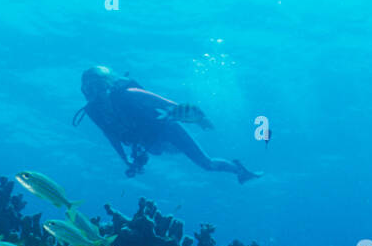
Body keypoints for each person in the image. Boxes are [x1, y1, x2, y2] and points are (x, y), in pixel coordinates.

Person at [74, 65, 261, 182]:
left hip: (166, 129)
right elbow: (111, 136)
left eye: (98, 86)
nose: (95, 93)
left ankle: (239, 170)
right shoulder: (94, 112)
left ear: (108, 84)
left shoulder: (128, 94)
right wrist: (126, 160)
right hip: (147, 141)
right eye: (89, 89)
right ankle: (181, 148)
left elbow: (166, 103)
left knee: (206, 164)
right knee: (161, 152)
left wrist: (198, 118)